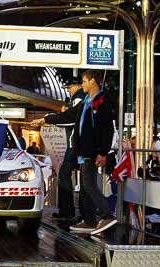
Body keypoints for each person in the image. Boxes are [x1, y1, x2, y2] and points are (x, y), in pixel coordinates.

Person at [32, 70, 117, 234]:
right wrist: (46, 119)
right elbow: (68, 116)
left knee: (88, 184)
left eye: (84, 81)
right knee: (86, 186)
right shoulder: (86, 102)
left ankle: (107, 215)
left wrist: (103, 152)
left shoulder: (102, 102)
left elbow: (108, 129)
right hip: (82, 150)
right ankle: (90, 220)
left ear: (93, 81)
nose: (82, 85)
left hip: (91, 151)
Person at [32, 80, 86, 221]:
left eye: (70, 87)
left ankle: (69, 211)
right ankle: (80, 213)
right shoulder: (79, 98)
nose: (68, 90)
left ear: (80, 85)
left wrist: (47, 119)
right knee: (83, 179)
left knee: (67, 175)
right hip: (77, 144)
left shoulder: (80, 98)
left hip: (75, 145)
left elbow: (71, 119)